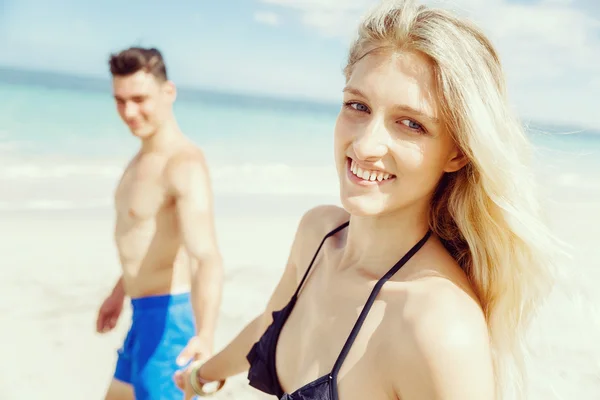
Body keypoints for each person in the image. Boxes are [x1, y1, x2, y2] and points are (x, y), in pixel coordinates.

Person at [175, 0, 557, 399]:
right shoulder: (318, 234)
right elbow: (268, 325)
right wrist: (201, 376)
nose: (365, 144)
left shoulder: (439, 329)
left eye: (411, 123)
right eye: (358, 105)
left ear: (457, 152)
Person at [95, 46, 224, 400]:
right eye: (120, 100)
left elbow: (205, 256)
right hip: (141, 315)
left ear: (168, 93)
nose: (128, 112)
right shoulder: (140, 159)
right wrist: (119, 292)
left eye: (139, 98)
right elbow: (147, 238)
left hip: (169, 321)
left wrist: (206, 336)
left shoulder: (183, 164)